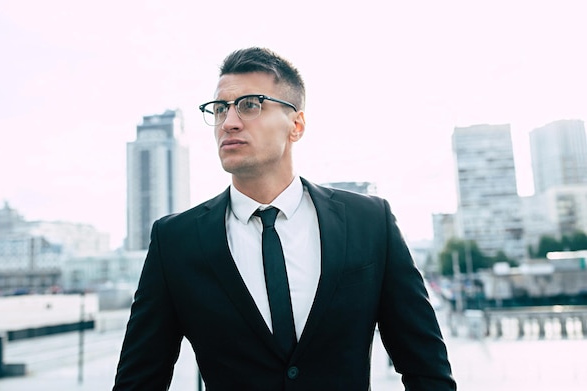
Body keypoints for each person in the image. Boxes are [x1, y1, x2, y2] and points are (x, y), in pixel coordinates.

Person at [113, 47, 456, 390]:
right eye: (219, 109)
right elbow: (139, 380)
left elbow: (425, 368)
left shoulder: (369, 222)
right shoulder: (175, 241)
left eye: (249, 105)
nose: (229, 122)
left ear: (296, 124)